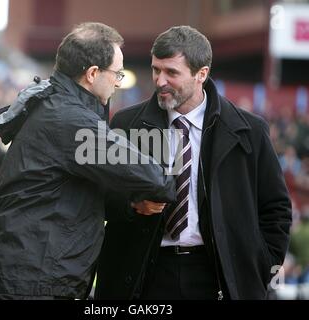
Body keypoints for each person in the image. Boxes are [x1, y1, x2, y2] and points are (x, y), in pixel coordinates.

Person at [0, 22, 175, 300]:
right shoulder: (72, 122)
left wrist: (129, 203)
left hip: (16, 275)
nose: (118, 83)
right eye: (117, 74)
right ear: (93, 74)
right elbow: (156, 180)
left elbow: (66, 191)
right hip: (31, 284)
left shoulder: (51, 104)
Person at [94, 25, 292, 300]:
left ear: (202, 74)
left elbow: (276, 208)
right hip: (145, 273)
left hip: (219, 273)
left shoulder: (250, 130)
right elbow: (102, 197)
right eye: (156, 70)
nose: (160, 80)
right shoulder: (126, 124)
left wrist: (260, 264)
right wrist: (132, 204)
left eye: (171, 72)